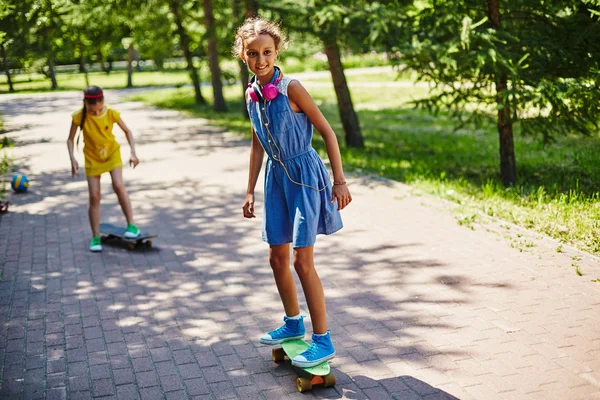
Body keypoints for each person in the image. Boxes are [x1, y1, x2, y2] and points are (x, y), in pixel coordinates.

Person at [234, 17, 352, 368]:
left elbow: (328, 132)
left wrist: (340, 180)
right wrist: (250, 190)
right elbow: (257, 143)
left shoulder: (292, 88)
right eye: (252, 53)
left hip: (304, 177)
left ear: (276, 51)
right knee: (276, 257)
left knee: (303, 261)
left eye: (267, 52)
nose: (260, 60)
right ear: (243, 56)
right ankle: (292, 323)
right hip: (275, 179)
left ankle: (323, 339)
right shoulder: (251, 94)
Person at [67, 85, 141, 252]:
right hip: (92, 158)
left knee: (118, 185)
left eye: (98, 109)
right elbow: (70, 139)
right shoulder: (78, 117)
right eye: (92, 110)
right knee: (94, 196)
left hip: (111, 154)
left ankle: (132, 226)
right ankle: (95, 237)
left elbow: (127, 131)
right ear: (85, 103)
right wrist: (72, 158)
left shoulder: (111, 113)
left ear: (103, 102)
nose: (95, 112)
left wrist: (133, 153)